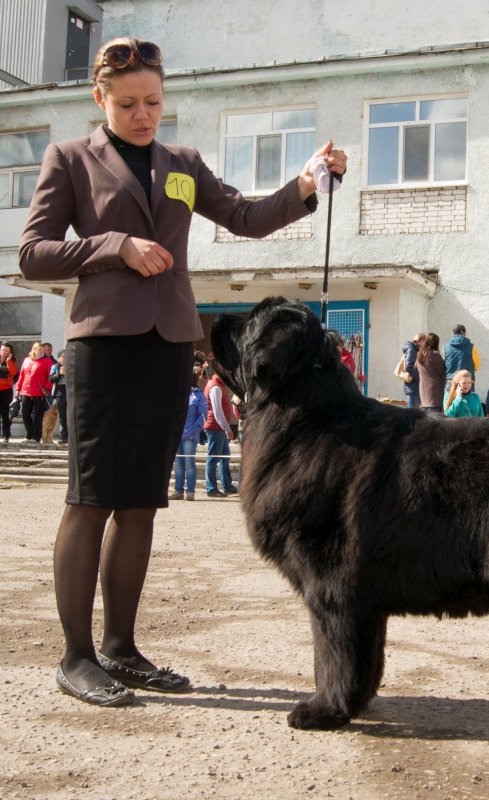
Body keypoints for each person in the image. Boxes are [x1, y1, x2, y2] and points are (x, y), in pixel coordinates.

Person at [18, 36, 347, 707]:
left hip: (169, 342)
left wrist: (306, 185)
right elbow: (34, 254)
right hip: (102, 346)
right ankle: (77, 657)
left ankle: (121, 648)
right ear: (100, 98)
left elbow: (247, 218)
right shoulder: (71, 159)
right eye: (129, 103)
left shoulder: (181, 164)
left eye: (154, 103)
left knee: (141, 504)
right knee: (91, 500)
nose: (144, 115)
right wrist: (114, 246)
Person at [170, 367, 208, 501]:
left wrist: (194, 430)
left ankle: (190, 491)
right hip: (177, 435)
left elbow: (203, 415)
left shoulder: (199, 395)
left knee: (189, 463)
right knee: (178, 464)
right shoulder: (179, 394)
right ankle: (178, 491)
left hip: (190, 436)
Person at [204, 371, 238, 498]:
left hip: (218, 428)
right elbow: (217, 411)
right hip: (216, 428)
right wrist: (227, 428)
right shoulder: (216, 387)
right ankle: (211, 488)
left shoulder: (216, 385)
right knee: (213, 458)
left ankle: (227, 486)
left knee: (225, 457)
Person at [16, 342, 52, 443]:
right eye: (39, 349)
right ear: (34, 350)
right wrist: (18, 389)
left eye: (42, 350)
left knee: (38, 415)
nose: (41, 351)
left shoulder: (47, 361)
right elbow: (22, 376)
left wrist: (47, 388)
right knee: (25, 413)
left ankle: (36, 436)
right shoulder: (27, 360)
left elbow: (50, 377)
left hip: (39, 392)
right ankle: (29, 434)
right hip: (26, 391)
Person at [415, 332, 446, 414]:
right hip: (434, 391)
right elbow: (443, 371)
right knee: (435, 419)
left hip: (423, 389)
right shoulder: (435, 354)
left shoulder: (419, 354)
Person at [0, 342, 19, 443]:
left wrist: (8, 361)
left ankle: (6, 435)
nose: (4, 352)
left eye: (7, 351)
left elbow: (13, 372)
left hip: (6, 390)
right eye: (3, 350)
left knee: (5, 413)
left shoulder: (12, 361)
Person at [49, 350, 68, 444]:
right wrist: (59, 374)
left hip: (70, 392)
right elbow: (51, 379)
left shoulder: (72, 366)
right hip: (60, 392)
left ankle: (72, 436)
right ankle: (64, 436)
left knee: (71, 415)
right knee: (62, 415)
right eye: (63, 357)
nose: (64, 358)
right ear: (59, 358)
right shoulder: (55, 367)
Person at [401, 333, 426, 409]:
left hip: (413, 386)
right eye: (425, 342)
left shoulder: (413, 349)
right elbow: (409, 366)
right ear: (421, 341)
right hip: (413, 386)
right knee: (414, 415)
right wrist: (419, 378)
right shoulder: (412, 349)